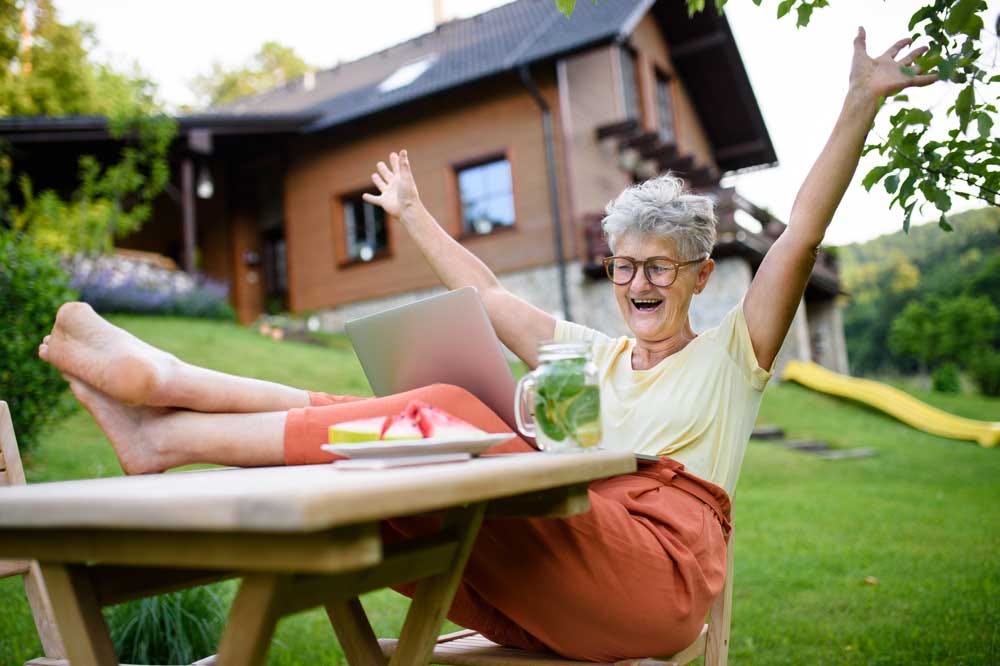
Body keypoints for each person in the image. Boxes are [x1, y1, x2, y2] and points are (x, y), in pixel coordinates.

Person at [37, 29, 936, 661]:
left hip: (653, 576)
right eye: (624, 266)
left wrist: (857, 104)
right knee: (402, 444)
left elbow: (799, 237)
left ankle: (172, 415)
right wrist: (415, 215)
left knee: (451, 417)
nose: (638, 283)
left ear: (701, 276)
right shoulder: (590, 356)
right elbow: (490, 296)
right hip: (568, 555)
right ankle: (168, 409)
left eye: (660, 267)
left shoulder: (733, 354)